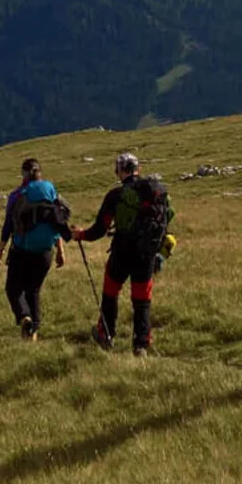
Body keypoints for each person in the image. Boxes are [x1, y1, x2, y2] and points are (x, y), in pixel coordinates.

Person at [74, 153, 174, 357]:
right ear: (138, 168)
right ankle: (141, 344)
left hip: (122, 251)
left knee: (110, 292)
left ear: (120, 171)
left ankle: (106, 334)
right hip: (147, 253)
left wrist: (80, 235)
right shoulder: (156, 192)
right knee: (142, 298)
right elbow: (167, 219)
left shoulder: (116, 195)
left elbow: (99, 230)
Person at [0, 157, 68, 340]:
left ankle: (24, 317)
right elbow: (57, 220)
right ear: (40, 172)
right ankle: (33, 332)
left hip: (22, 250)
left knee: (13, 289)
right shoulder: (50, 189)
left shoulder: (17, 195)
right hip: (45, 250)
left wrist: (1, 248)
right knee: (33, 290)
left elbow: (8, 225)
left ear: (24, 174)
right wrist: (60, 250)